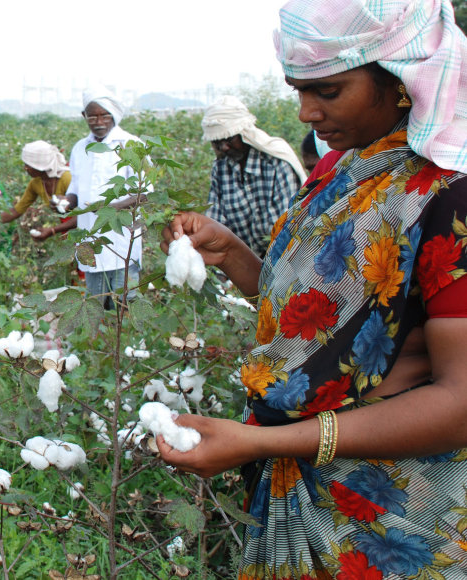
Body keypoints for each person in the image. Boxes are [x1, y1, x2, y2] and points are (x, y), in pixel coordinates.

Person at [157, 1, 467, 578]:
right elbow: (319, 324)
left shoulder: (451, 193)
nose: (307, 111)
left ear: (402, 77)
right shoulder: (340, 170)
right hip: (305, 480)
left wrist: (266, 444)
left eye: (327, 90)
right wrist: (233, 256)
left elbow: (461, 403)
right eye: (299, 89)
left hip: (396, 518)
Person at [48, 86, 144, 310]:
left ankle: (129, 344)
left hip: (121, 242)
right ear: (84, 117)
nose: (98, 121)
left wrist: (109, 208)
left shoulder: (131, 145)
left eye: (104, 115)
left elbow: (144, 194)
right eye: (92, 116)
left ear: (114, 116)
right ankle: (100, 342)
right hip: (90, 241)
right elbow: (75, 190)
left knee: (125, 307)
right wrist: (64, 202)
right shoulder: (80, 148)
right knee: (95, 306)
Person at [202, 96, 307, 257]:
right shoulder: (221, 168)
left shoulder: (276, 163)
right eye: (217, 142)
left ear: (244, 133)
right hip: (241, 260)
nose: (224, 147)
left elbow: (288, 224)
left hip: (284, 256)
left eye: (229, 139)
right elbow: (216, 219)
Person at [0, 140, 72, 228]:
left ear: (41, 165)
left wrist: (52, 231)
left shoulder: (67, 178)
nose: (25, 168)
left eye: (29, 165)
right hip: (67, 227)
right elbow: (17, 210)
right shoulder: (35, 183)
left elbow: (84, 211)